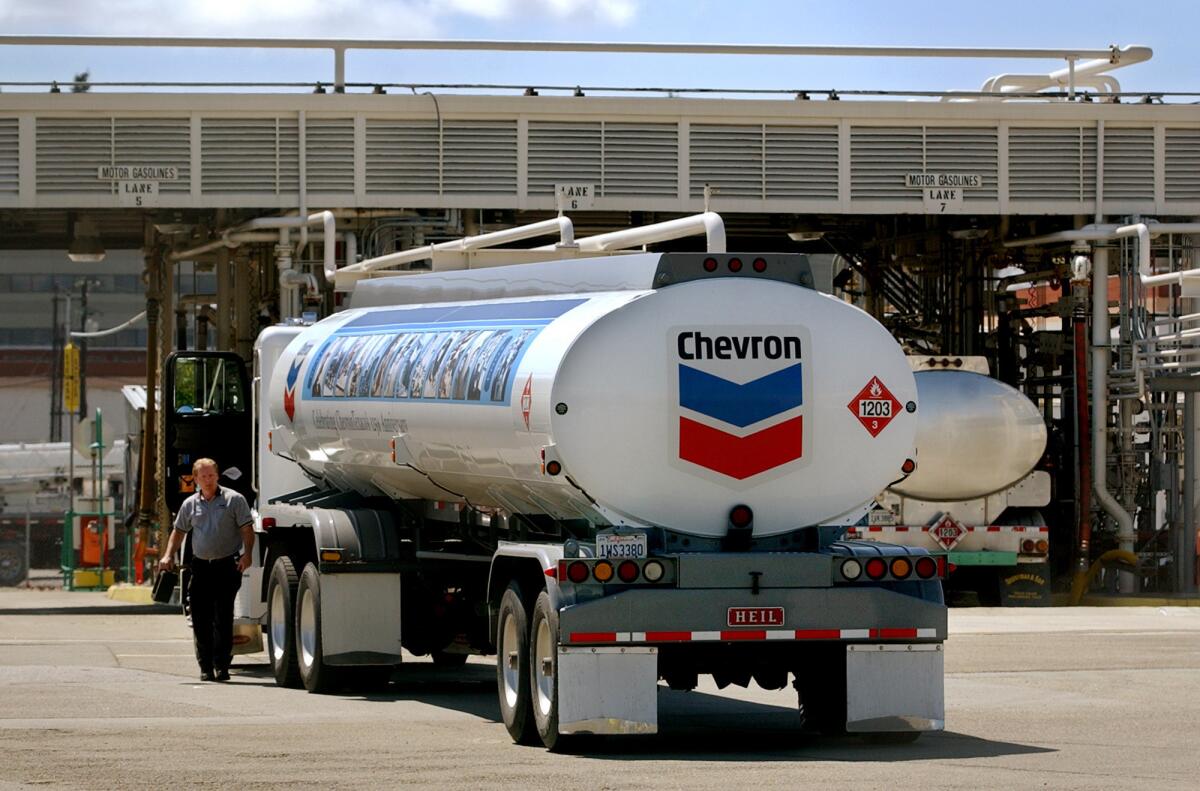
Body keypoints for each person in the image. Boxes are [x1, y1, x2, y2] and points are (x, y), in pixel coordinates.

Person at [158, 458, 253, 682]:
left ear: (218, 476)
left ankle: (222, 666)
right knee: (201, 618)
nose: (208, 480)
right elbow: (179, 532)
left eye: (211, 475)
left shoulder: (234, 500)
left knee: (223, 617)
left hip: (226, 565)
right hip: (200, 567)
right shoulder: (190, 504)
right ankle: (205, 667)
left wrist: (247, 554)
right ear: (196, 479)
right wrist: (168, 554)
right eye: (203, 477)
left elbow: (247, 530)